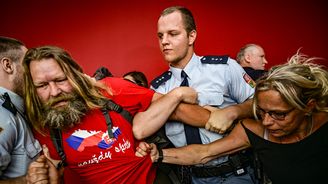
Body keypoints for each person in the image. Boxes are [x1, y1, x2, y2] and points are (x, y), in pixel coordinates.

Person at [22, 45, 215, 183]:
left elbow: (177, 110)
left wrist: (215, 119)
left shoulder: (113, 90)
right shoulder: (41, 128)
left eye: (61, 80)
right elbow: (56, 174)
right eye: (42, 85)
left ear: (76, 76)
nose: (54, 92)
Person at [144, 53, 328, 184]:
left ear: (308, 107)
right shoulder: (253, 131)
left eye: (278, 114)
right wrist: (158, 154)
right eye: (261, 112)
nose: (266, 122)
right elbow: (203, 153)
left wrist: (231, 112)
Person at [134, 6, 256, 184]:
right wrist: (178, 93)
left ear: (192, 36)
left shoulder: (224, 68)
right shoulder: (158, 88)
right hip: (191, 178)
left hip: (234, 173)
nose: (164, 41)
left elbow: (259, 103)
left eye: (173, 34)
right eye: (160, 36)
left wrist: (233, 112)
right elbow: (140, 129)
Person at [0, 36, 42, 182]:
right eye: (27, 65)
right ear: (8, 65)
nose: (33, 73)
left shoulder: (13, 109)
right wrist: (26, 180)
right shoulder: (2, 113)